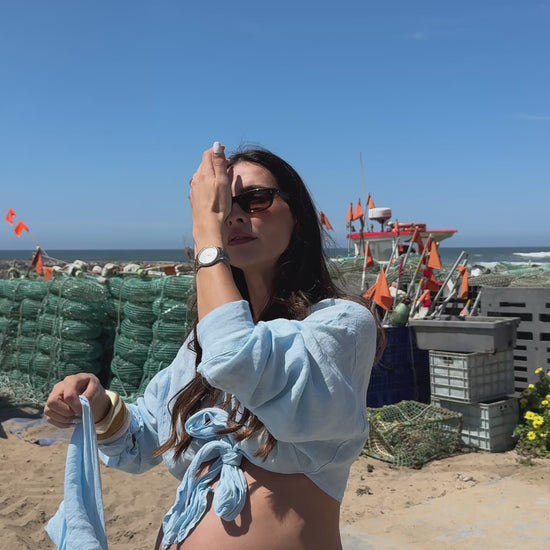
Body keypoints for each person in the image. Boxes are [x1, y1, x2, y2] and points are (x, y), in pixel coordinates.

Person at [44, 143, 380, 550]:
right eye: (221, 202)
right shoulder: (205, 339)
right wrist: (99, 406)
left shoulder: (340, 323)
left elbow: (237, 358)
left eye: (255, 199)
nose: (231, 215)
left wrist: (206, 231)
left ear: (298, 216)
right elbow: (147, 436)